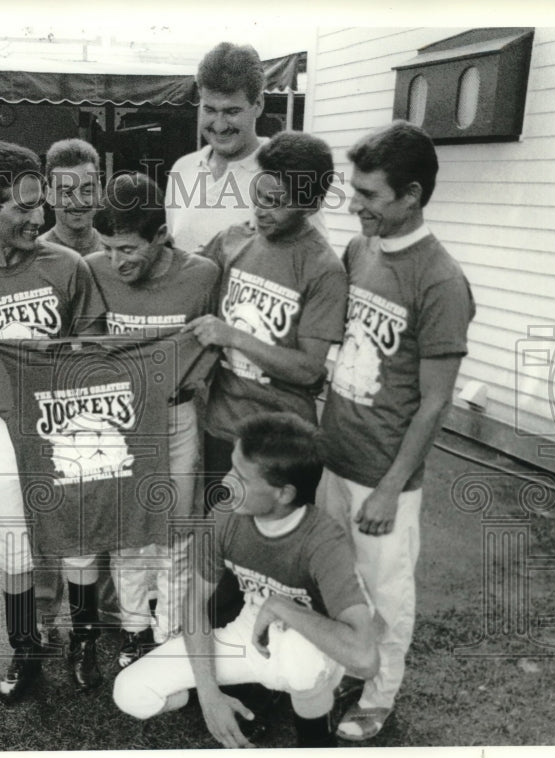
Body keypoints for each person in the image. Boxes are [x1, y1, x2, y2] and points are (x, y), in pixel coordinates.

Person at [317, 121, 476, 742]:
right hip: (335, 456)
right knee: (335, 581)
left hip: (384, 475)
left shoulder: (440, 280)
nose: (356, 205)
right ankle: (342, 669)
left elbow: (435, 402)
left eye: (370, 196)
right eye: (353, 191)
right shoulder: (360, 250)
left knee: (386, 595)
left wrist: (390, 487)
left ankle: (378, 697)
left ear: (410, 195)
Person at [0, 140, 107, 702]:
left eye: (39, 205)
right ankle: (25, 644)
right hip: (3, 431)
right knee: (13, 541)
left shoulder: (68, 265)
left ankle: (84, 640)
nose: (38, 218)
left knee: (80, 538)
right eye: (21, 208)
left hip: (69, 423)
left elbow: (98, 348)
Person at [112, 412, 378, 748]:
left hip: (311, 644)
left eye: (241, 476)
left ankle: (317, 750)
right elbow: (193, 604)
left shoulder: (324, 542)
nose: (225, 482)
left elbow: (366, 659)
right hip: (249, 630)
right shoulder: (226, 514)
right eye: (231, 467)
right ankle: (224, 700)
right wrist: (210, 696)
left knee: (300, 660)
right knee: (130, 691)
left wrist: (282, 607)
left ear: (283, 494)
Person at [86, 172, 221, 666]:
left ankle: (170, 630)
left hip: (176, 411)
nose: (116, 260)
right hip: (119, 417)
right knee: (127, 529)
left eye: (127, 249)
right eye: (108, 247)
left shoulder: (202, 273)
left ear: (161, 235)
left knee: (177, 528)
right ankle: (135, 629)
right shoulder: (92, 268)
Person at [187, 132, 347, 513]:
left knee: (271, 553)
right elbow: (183, 282)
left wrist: (234, 336)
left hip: (282, 444)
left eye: (275, 203)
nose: (260, 210)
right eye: (258, 194)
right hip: (222, 427)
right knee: (218, 544)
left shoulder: (324, 269)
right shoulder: (233, 239)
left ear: (310, 204)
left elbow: (309, 369)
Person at [165, 42, 325, 254]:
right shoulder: (182, 169)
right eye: (210, 110)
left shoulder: (289, 171)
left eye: (232, 111)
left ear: (258, 105)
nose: (219, 125)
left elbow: (313, 261)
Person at [39, 139, 104, 256]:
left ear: (99, 191)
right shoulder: (33, 258)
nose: (78, 202)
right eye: (66, 192)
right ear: (49, 195)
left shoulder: (118, 256)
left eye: (87, 190)